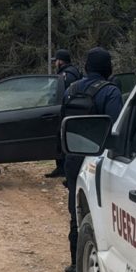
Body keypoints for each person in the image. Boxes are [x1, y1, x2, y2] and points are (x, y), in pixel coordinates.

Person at [62, 47, 123, 272]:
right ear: (108, 68)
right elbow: (116, 127)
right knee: (104, 210)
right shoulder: (110, 92)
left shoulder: (70, 89)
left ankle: (75, 264)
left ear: (86, 67)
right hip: (99, 159)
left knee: (77, 210)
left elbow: (63, 124)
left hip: (74, 155)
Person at [45, 49, 82, 178]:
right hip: (69, 110)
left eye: (56, 61)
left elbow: (61, 94)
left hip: (67, 111)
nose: (55, 63)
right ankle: (61, 168)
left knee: (64, 140)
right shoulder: (73, 72)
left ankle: (66, 170)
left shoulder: (66, 75)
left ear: (60, 61)